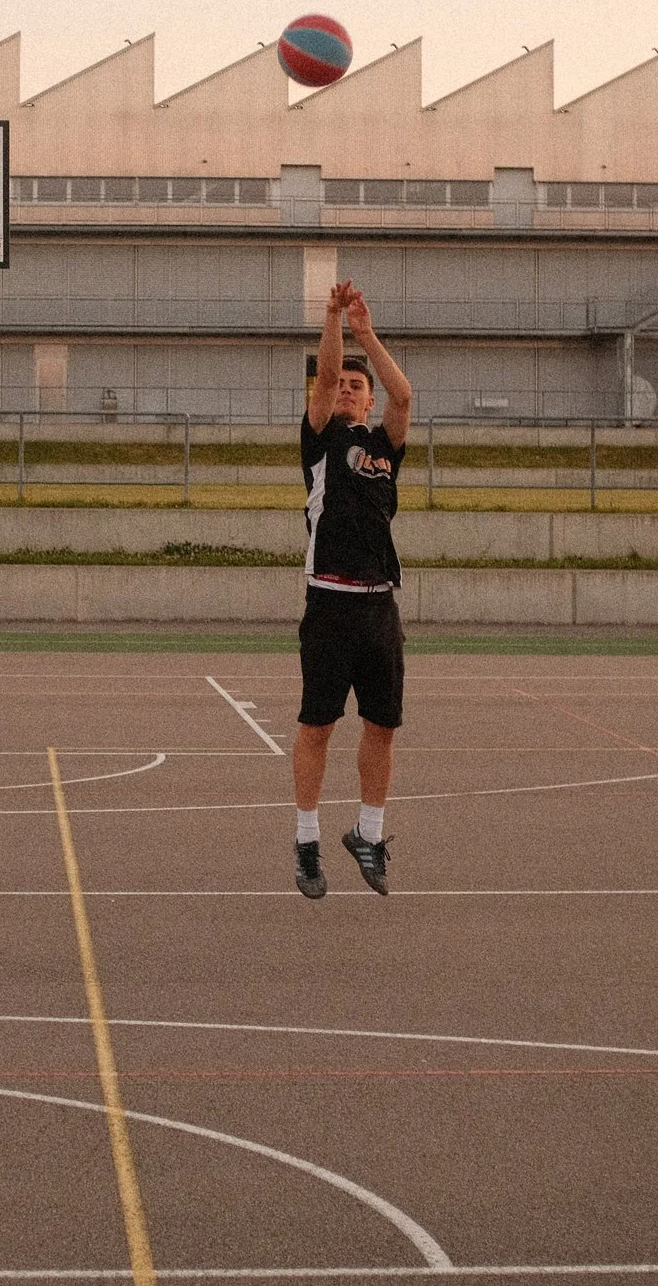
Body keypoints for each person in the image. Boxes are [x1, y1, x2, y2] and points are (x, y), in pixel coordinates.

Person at [292, 281, 411, 899]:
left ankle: (368, 833)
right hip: (330, 603)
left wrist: (369, 333)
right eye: (341, 384)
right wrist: (335, 318)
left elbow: (406, 395)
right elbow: (326, 373)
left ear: (367, 401)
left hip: (378, 605)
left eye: (355, 386)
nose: (346, 388)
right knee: (317, 727)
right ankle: (307, 842)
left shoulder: (385, 446)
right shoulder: (321, 440)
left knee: (383, 725)